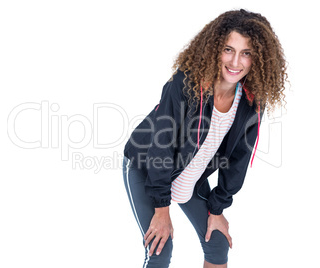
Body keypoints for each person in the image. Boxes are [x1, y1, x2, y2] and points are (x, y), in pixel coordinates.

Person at [122, 9, 287, 268]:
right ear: (214, 49)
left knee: (217, 244)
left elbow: (239, 158)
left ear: (258, 58)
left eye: (246, 53)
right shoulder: (185, 83)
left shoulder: (252, 100)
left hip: (191, 173)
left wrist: (218, 208)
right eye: (228, 49)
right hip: (147, 167)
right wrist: (161, 209)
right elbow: (161, 147)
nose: (235, 62)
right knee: (159, 250)